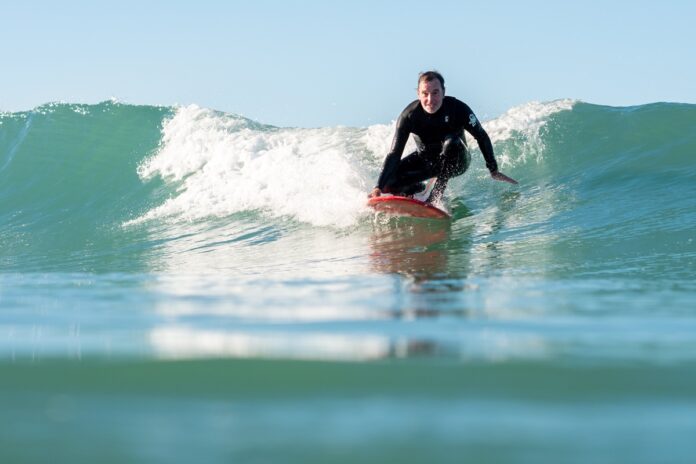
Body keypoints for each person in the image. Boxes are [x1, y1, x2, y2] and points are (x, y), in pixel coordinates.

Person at [368, 71, 517, 203]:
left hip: (458, 160)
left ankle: (436, 195)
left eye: (435, 92)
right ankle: (419, 191)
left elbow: (481, 136)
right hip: (428, 160)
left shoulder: (458, 109)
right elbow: (394, 154)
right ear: (418, 94)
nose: (430, 99)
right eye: (425, 94)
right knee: (390, 183)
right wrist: (378, 187)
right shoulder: (409, 115)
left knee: (451, 142)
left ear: (443, 92)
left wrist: (493, 169)